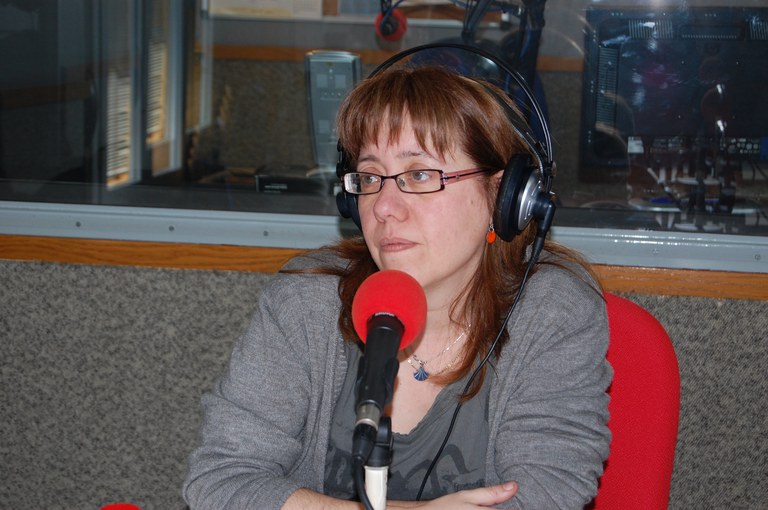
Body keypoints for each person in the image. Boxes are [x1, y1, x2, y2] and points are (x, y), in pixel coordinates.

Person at [183, 64, 611, 509]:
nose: (384, 207)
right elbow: (221, 480)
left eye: (420, 174)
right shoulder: (307, 302)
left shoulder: (551, 313)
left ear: (502, 197)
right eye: (370, 178)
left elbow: (547, 496)